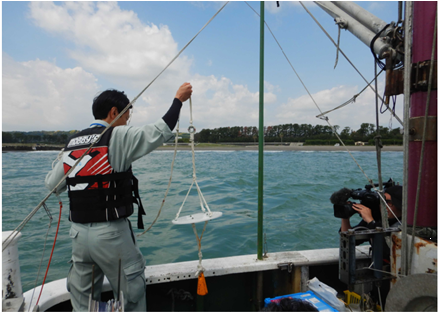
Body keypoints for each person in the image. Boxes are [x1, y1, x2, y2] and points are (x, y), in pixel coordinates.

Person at [45, 83, 192, 312]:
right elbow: (161, 129)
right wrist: (178, 100)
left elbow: (52, 185)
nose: (127, 122)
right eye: (126, 116)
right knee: (130, 296)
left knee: (83, 304)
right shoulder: (118, 134)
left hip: (78, 236)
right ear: (114, 112)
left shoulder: (73, 143)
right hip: (111, 235)